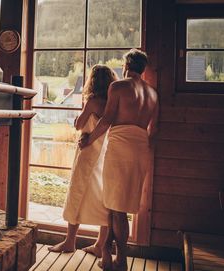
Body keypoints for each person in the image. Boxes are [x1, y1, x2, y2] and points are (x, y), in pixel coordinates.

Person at [79, 49, 159, 271]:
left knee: (115, 206)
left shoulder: (119, 87)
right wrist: (142, 151)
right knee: (122, 205)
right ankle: (110, 256)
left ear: (126, 66)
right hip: (141, 147)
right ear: (143, 69)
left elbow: (107, 120)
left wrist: (89, 140)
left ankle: (117, 258)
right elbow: (155, 130)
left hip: (120, 145)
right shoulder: (153, 93)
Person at [48, 65, 118, 256]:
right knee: (104, 198)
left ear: (92, 81)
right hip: (104, 153)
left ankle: (70, 241)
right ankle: (99, 244)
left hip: (87, 151)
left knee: (76, 193)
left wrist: (78, 117)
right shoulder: (112, 103)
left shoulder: (93, 101)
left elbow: (79, 125)